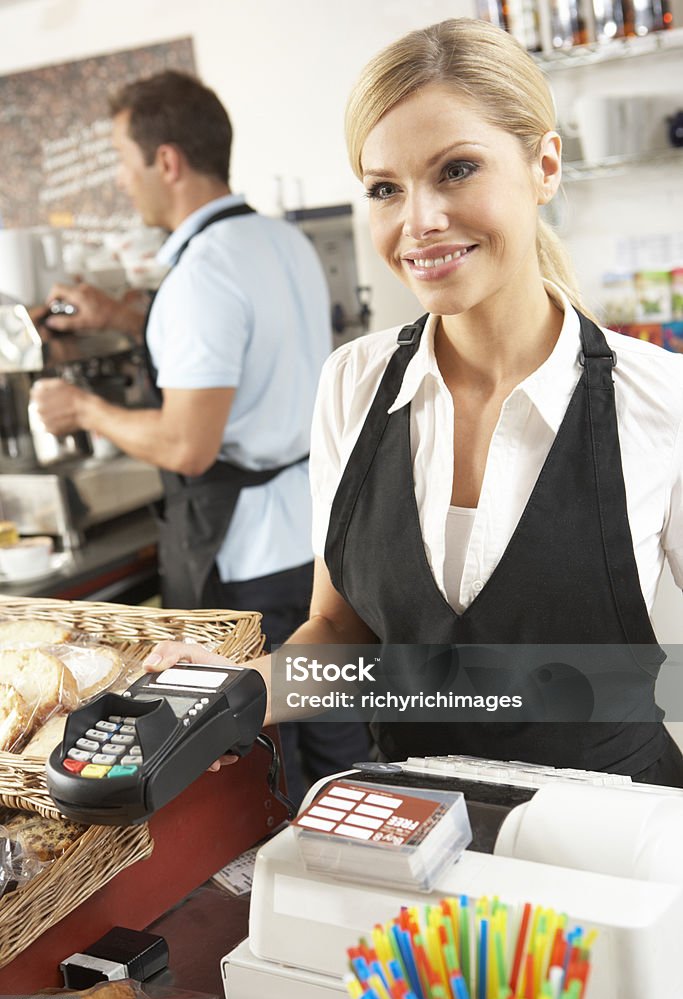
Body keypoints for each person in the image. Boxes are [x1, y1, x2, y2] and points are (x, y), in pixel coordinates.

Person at [145, 21, 683, 788]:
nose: (417, 221)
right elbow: (340, 632)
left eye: (457, 169)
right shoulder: (354, 384)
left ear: (545, 165)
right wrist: (239, 692)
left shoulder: (656, 397)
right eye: (384, 189)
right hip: (417, 836)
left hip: (617, 851)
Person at [31, 70, 370, 801]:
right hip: (309, 535)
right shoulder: (279, 241)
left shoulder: (201, 274)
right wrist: (125, 321)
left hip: (243, 552)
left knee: (262, 754)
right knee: (335, 728)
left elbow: (189, 445)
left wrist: (82, 409)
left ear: (167, 161)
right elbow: (248, 358)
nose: (123, 182)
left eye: (124, 162)